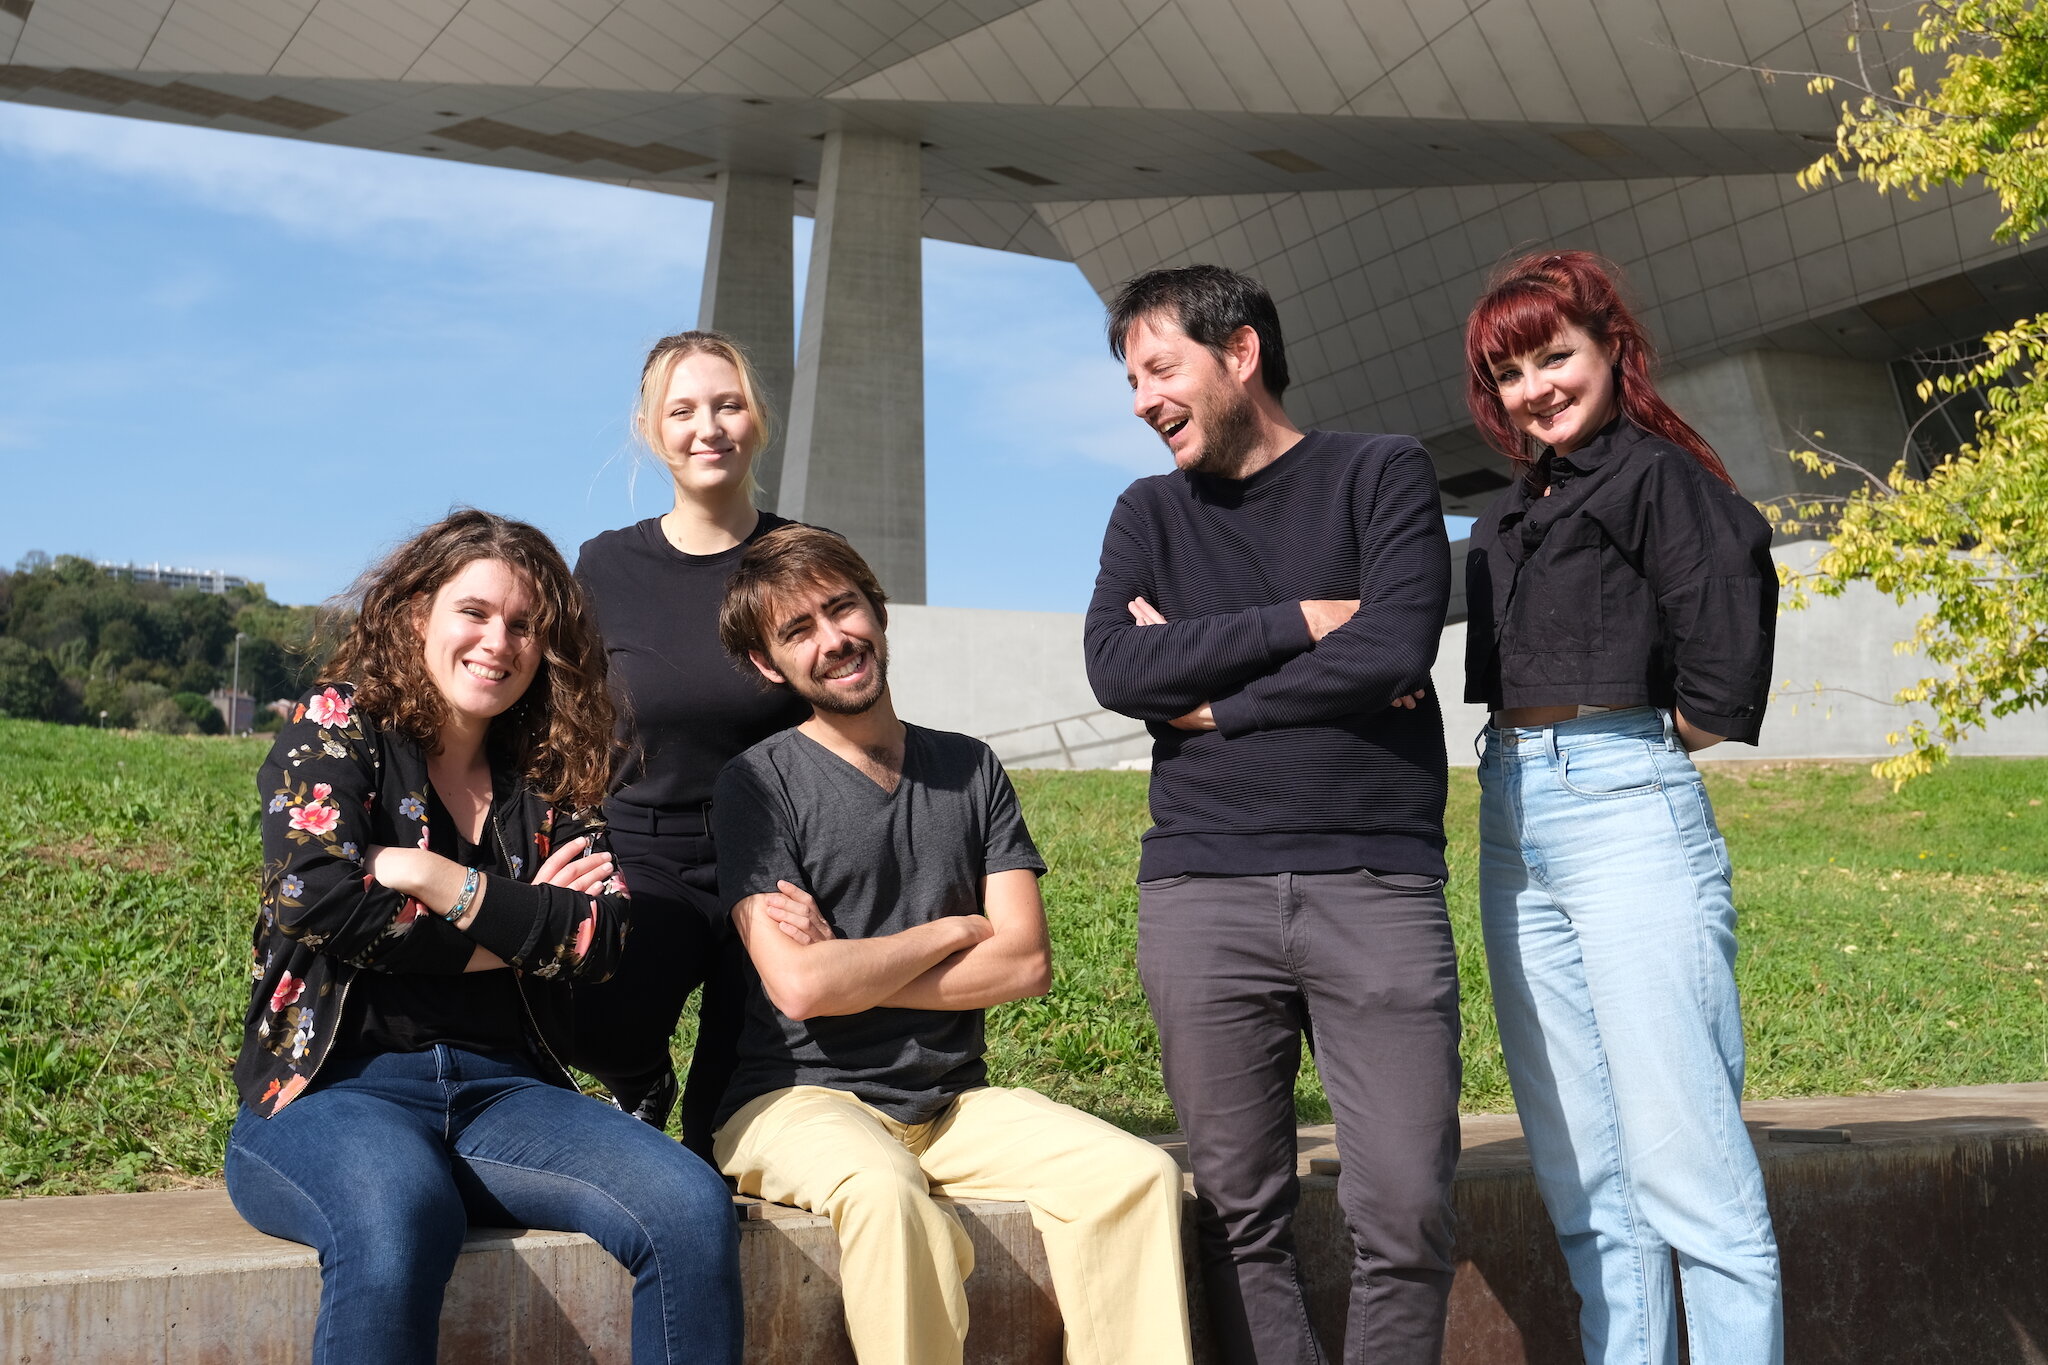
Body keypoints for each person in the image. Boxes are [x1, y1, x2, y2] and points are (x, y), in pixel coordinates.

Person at [224, 510, 743, 1365]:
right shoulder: (339, 721)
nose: (498, 641)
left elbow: (603, 938)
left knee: (688, 1204)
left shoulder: (546, 763)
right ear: (417, 611)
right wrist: (519, 921)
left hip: (506, 1093)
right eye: (475, 612)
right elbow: (316, 897)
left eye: (525, 625)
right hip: (335, 1091)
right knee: (400, 1212)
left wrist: (436, 879)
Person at [1085, 264, 1461, 1365]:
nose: (1142, 401)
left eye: (1159, 369)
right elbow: (1115, 665)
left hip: (1373, 883)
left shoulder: (1381, 473)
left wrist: (1209, 706)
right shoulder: (1145, 512)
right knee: (1238, 1212)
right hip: (1200, 891)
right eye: (1129, 380)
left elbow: (1394, 644)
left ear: (1238, 354)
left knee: (1402, 1208)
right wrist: (1301, 620)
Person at [707, 525, 1193, 1365]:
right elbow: (797, 987)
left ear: (877, 610)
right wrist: (950, 931)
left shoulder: (970, 769)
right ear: (767, 664)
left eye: (842, 607)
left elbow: (1025, 962)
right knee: (888, 1197)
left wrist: (852, 966)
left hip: (948, 1105)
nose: (833, 640)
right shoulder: (758, 782)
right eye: (798, 631)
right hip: (796, 1103)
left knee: (1136, 1177)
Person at [1461, 249, 1782, 1365]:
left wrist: (1622, 755)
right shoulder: (1506, 519)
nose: (1536, 387)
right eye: (1510, 373)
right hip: (1510, 819)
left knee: (1683, 1168)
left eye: (1557, 356)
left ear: (1610, 351)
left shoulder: (1657, 477)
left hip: (1622, 805)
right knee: (1583, 1176)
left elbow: (1721, 666)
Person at [568, 330, 810, 1152]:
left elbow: (848, 710)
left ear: (758, 421)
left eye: (728, 404)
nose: (708, 427)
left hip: (774, 859)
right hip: (645, 851)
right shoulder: (605, 565)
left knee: (726, 1134)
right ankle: (641, 1075)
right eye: (683, 410)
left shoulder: (798, 558)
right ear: (651, 429)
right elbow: (560, 718)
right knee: (590, 1023)